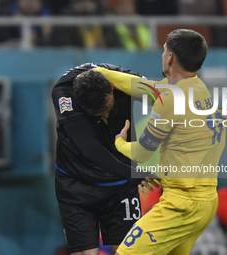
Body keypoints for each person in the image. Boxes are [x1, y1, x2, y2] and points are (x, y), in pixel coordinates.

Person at [95, 29, 227, 255]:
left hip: (181, 204)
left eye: (164, 49)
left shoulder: (170, 98)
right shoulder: (197, 88)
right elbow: (142, 87)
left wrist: (120, 143)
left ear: (170, 58)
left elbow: (142, 153)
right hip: (205, 202)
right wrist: (99, 72)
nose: (162, 54)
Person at [51, 63, 160, 255]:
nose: (107, 116)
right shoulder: (64, 94)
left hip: (120, 188)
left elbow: (169, 100)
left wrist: (211, 113)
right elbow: (90, 148)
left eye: (108, 107)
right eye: (98, 114)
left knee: (129, 252)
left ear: (111, 86)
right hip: (76, 186)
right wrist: (131, 174)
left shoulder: (126, 80)